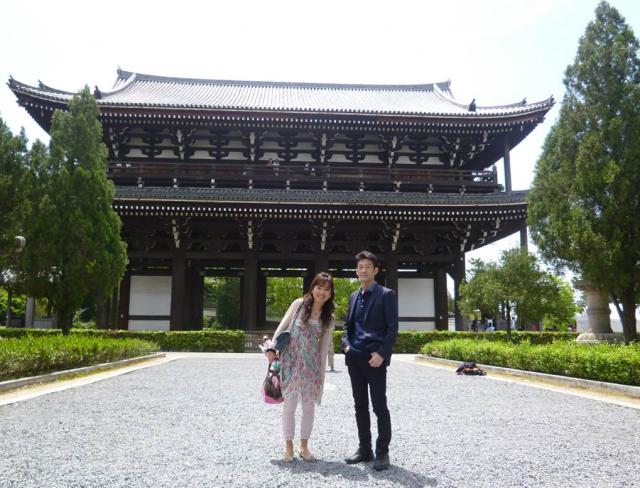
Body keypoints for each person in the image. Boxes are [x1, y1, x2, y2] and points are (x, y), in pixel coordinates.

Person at [265, 272, 335, 463]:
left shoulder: (329, 318)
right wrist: (271, 349)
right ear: (312, 288)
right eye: (318, 287)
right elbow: (281, 328)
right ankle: (288, 445)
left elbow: (323, 349)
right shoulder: (298, 305)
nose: (321, 292)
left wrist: (321, 376)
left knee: (309, 407)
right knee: (289, 405)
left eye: (326, 289)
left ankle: (304, 446)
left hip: (311, 366)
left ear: (330, 293)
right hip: (290, 362)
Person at [341, 251, 398, 471]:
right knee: (360, 406)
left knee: (379, 406)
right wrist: (346, 345)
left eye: (367, 266)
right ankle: (365, 448)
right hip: (354, 358)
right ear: (356, 271)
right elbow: (347, 326)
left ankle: (382, 451)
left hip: (375, 359)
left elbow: (392, 328)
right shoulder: (353, 297)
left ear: (375, 270)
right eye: (360, 267)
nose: (363, 270)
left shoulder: (386, 294)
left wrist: (382, 354)